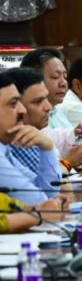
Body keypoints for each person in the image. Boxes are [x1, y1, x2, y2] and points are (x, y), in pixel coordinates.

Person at [0, 72, 61, 205]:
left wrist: (48, 148)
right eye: (13, 103)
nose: (22, 110)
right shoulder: (14, 143)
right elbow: (40, 203)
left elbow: (50, 195)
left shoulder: (4, 149)